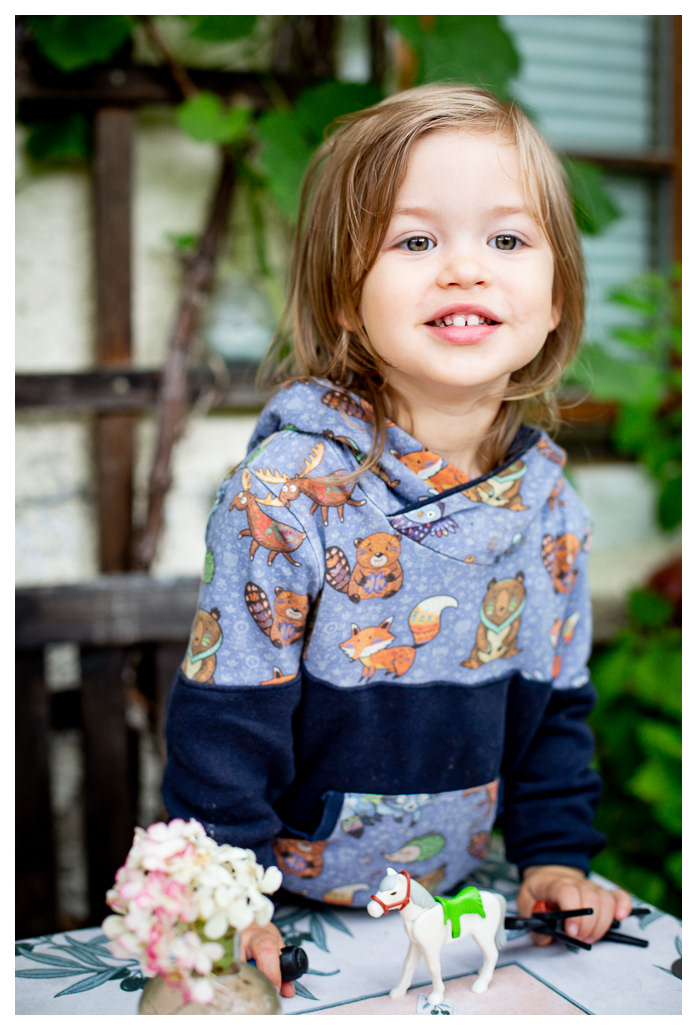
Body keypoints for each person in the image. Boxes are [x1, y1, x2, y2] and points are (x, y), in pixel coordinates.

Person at [162, 83, 632, 997]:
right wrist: (226, 903)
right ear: (344, 297)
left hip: (451, 913)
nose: (465, 270)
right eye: (414, 242)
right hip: (284, 913)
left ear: (555, 295)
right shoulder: (284, 494)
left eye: (507, 240)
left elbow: (554, 711)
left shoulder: (548, 506)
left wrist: (552, 858)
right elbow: (227, 722)